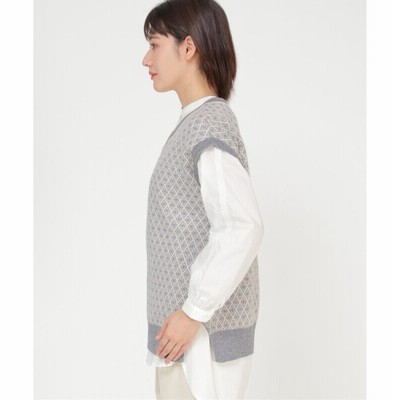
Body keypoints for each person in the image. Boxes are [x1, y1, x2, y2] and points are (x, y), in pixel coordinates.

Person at [142, 0, 264, 398]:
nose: (146, 59)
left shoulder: (209, 123)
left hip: (201, 344)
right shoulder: (196, 123)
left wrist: (193, 311)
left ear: (188, 47)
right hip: (186, 342)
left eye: (154, 45)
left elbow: (243, 226)